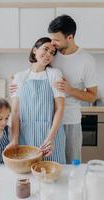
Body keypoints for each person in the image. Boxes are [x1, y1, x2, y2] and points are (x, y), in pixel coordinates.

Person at [48, 15, 97, 163]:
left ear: (70, 37)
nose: (52, 43)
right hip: (47, 120)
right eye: (51, 38)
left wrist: (69, 89)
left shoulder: (86, 60)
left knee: (71, 163)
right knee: (49, 163)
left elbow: (92, 96)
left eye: (56, 39)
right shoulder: (51, 54)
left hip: (70, 121)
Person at [9, 37, 66, 164]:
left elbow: (60, 108)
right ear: (35, 50)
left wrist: (50, 138)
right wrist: (14, 139)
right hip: (26, 135)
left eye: (52, 53)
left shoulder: (55, 74)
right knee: (27, 172)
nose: (48, 55)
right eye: (45, 49)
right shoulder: (19, 77)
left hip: (51, 135)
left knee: (52, 174)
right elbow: (15, 111)